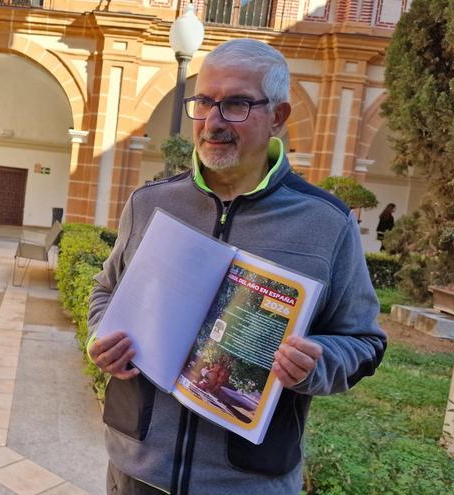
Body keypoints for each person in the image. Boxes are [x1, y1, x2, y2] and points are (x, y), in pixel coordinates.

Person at [87, 39, 386, 495]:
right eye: (205, 101)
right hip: (137, 469)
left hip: (247, 482)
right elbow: (106, 289)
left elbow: (364, 342)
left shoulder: (326, 222)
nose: (213, 121)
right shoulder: (150, 203)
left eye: (237, 105)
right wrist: (101, 335)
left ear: (279, 117)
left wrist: (315, 364)